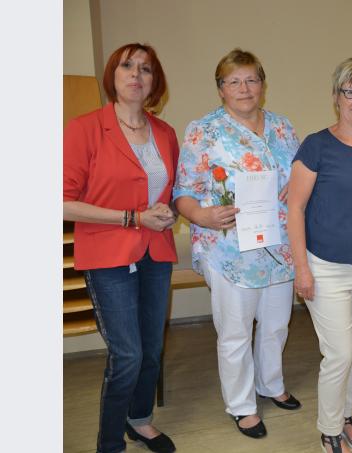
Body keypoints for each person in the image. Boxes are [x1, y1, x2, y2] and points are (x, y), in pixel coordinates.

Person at [173, 48, 301, 439]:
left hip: (278, 245)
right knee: (235, 330)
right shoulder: (204, 131)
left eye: (252, 79)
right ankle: (242, 405)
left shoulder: (282, 127)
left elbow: (298, 176)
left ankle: (270, 383)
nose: (244, 88)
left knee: (277, 323)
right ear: (221, 89)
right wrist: (200, 216)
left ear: (263, 84)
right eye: (234, 81)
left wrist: (294, 191)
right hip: (228, 247)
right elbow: (184, 192)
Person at [64, 43, 179, 453]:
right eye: (127, 66)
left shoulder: (165, 132)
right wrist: (132, 217)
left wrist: (167, 212)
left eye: (146, 68)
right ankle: (109, 443)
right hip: (108, 254)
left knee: (152, 349)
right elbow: (61, 201)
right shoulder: (85, 128)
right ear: (113, 75)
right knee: (127, 354)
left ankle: (140, 419)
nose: (136, 74)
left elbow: (167, 191)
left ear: (154, 82)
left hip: (156, 252)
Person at [287, 57, 352, 453]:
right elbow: (294, 208)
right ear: (336, 97)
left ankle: (345, 417)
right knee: (339, 353)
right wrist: (301, 269)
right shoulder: (316, 145)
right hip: (324, 268)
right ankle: (328, 428)